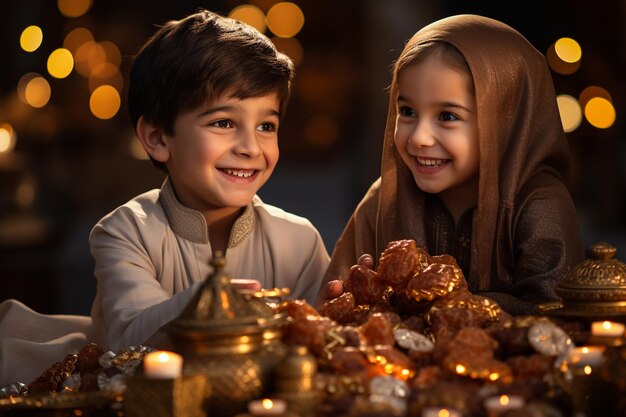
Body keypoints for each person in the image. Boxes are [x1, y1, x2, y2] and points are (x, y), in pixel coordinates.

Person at [0, 9, 329, 385]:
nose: (251, 147)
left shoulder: (300, 241)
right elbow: (131, 343)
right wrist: (209, 303)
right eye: (223, 122)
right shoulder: (124, 232)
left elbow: (315, 348)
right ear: (157, 138)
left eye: (266, 126)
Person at [319, 14, 584, 316]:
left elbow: (555, 318)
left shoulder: (538, 205)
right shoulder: (384, 200)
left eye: (447, 116)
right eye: (407, 111)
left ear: (506, 123)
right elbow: (333, 304)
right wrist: (350, 301)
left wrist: (443, 304)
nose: (418, 138)